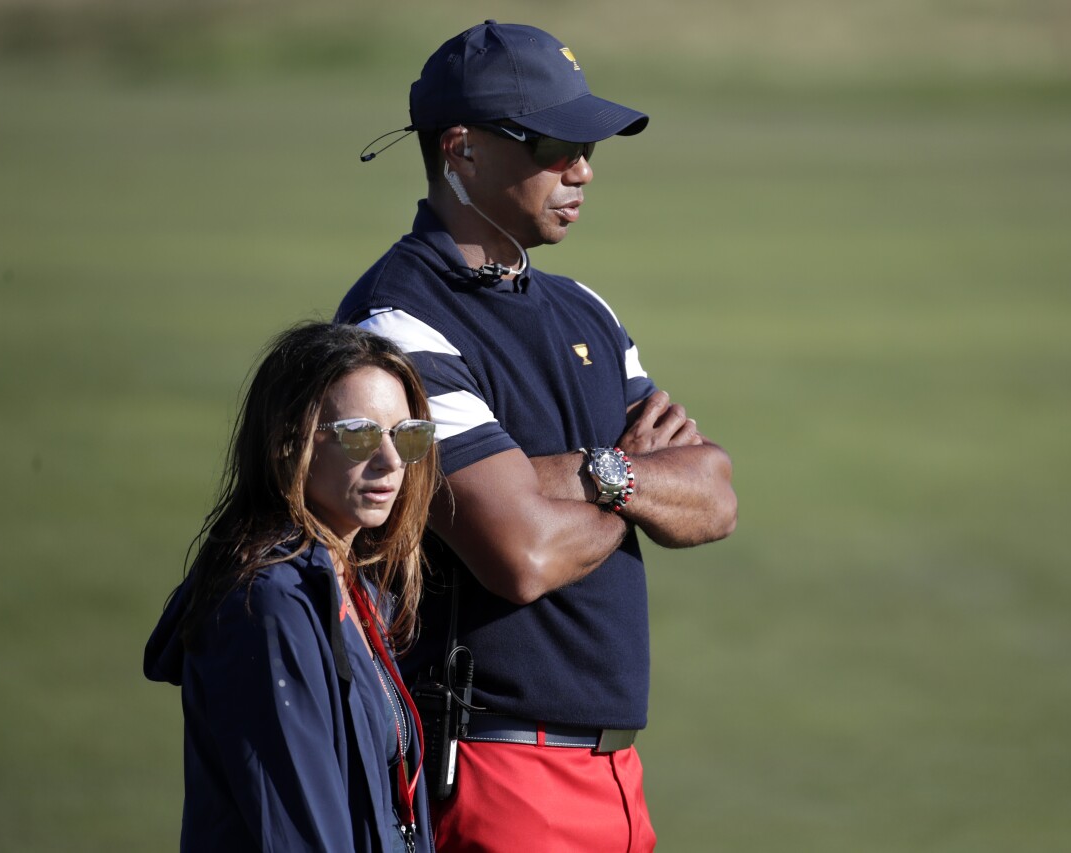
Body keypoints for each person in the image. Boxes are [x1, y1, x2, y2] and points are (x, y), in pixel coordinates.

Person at [337, 21, 738, 853]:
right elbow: (521, 552)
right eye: (555, 145)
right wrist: (629, 475)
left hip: (616, 777)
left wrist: (574, 477)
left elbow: (714, 497)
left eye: (587, 147)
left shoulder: (585, 309)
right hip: (494, 771)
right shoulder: (401, 322)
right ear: (461, 149)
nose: (582, 169)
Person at [144, 322, 441, 852]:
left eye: (406, 435)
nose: (391, 461)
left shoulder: (351, 586)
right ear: (288, 442)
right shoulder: (269, 604)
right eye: (360, 434)